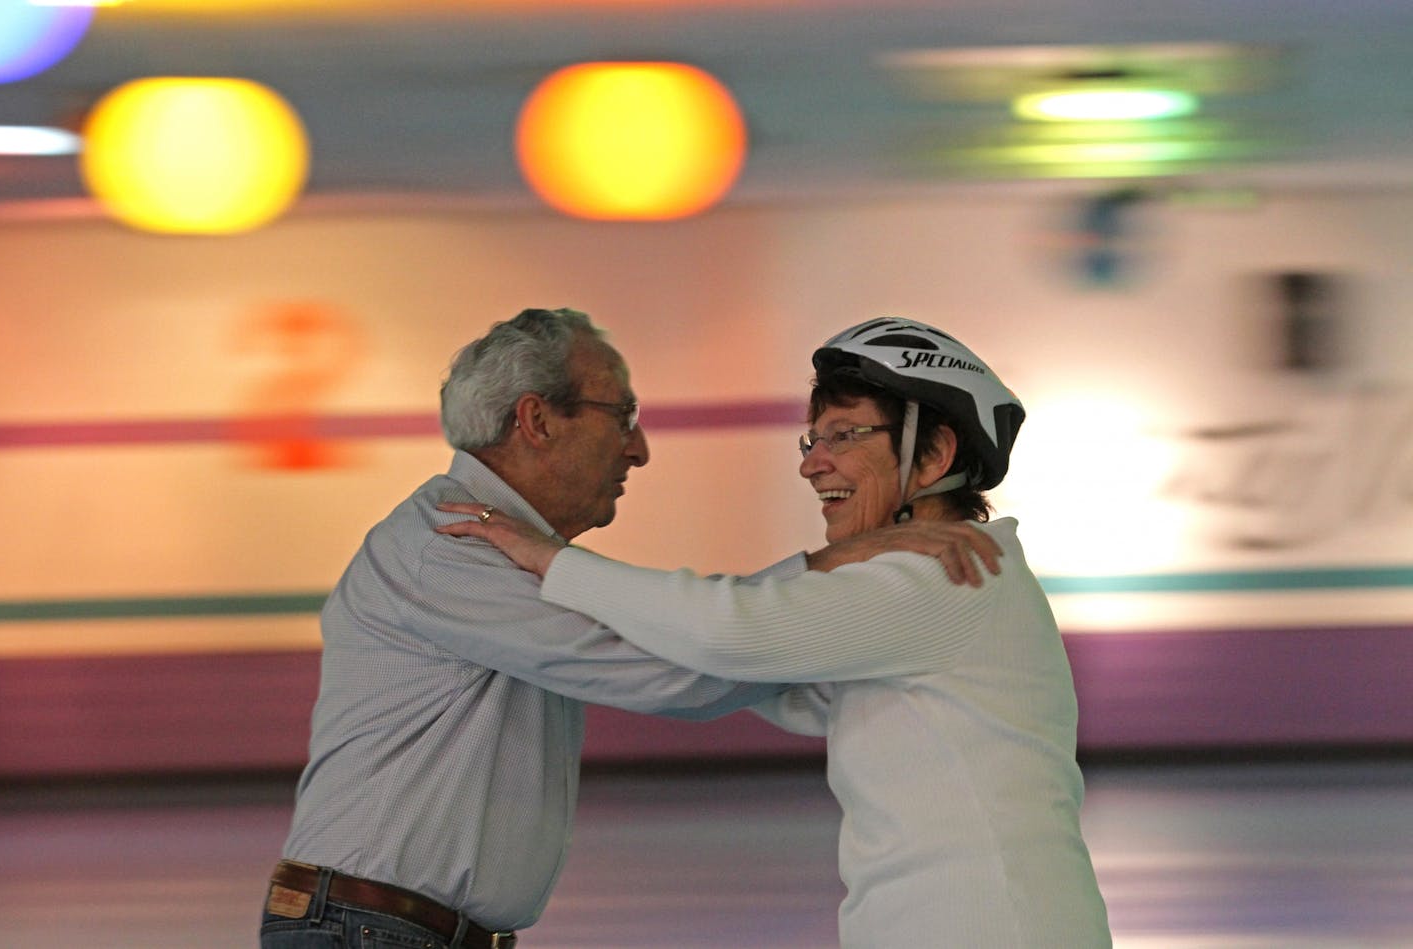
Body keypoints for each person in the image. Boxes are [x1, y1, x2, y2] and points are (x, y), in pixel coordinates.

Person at [261, 307, 1004, 949]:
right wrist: (830, 572)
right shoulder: (450, 544)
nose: (640, 448)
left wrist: (840, 622)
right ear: (537, 419)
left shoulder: (507, 550)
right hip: (366, 931)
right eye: (622, 416)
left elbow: (695, 656)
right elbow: (661, 670)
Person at [438, 316, 1112, 947]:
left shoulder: (947, 576)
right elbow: (751, 666)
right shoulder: (928, 585)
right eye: (812, 439)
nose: (812, 463)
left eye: (845, 435)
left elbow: (728, 632)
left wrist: (552, 561)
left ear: (934, 453)